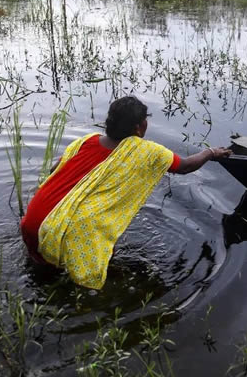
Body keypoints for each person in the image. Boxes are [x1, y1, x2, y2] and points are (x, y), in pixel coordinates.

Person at [20, 96, 231, 289]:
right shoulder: (147, 151)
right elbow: (184, 166)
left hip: (33, 219)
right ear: (139, 128)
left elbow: (53, 170)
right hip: (60, 230)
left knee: (44, 275)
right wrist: (210, 152)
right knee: (83, 283)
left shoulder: (86, 141)